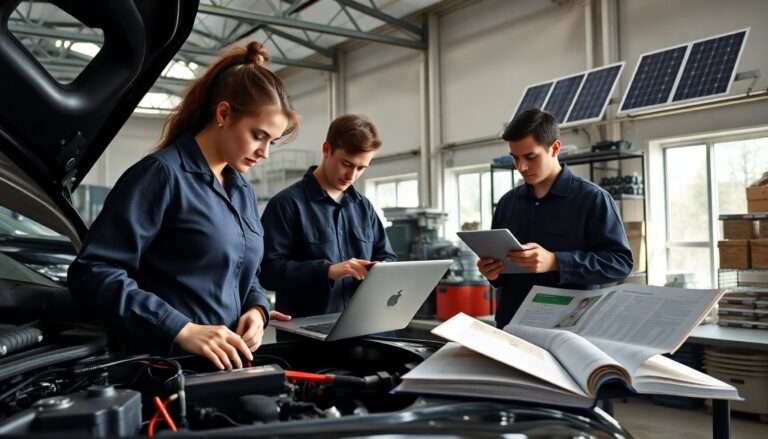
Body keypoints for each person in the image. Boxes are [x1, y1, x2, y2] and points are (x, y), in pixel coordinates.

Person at [67, 42, 299, 370]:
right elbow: (92, 272)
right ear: (223, 114)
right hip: (165, 369)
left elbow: (243, 271)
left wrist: (257, 309)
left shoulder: (242, 189)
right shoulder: (161, 176)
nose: (265, 153)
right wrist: (180, 328)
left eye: (272, 142)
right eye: (258, 136)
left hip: (229, 368)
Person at [477, 108, 633, 329]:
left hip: (570, 331)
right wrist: (492, 272)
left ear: (555, 148)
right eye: (515, 158)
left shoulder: (593, 199)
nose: (521, 167)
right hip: (513, 328)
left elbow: (620, 264)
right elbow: (501, 275)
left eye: (531, 157)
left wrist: (555, 262)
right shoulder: (507, 203)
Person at [259, 114, 396, 321]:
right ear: (326, 150)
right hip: (306, 337)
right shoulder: (286, 204)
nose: (352, 176)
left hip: (361, 327)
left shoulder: (363, 207)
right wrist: (327, 271)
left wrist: (383, 269)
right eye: (347, 164)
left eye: (361, 168)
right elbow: (268, 273)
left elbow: (387, 256)